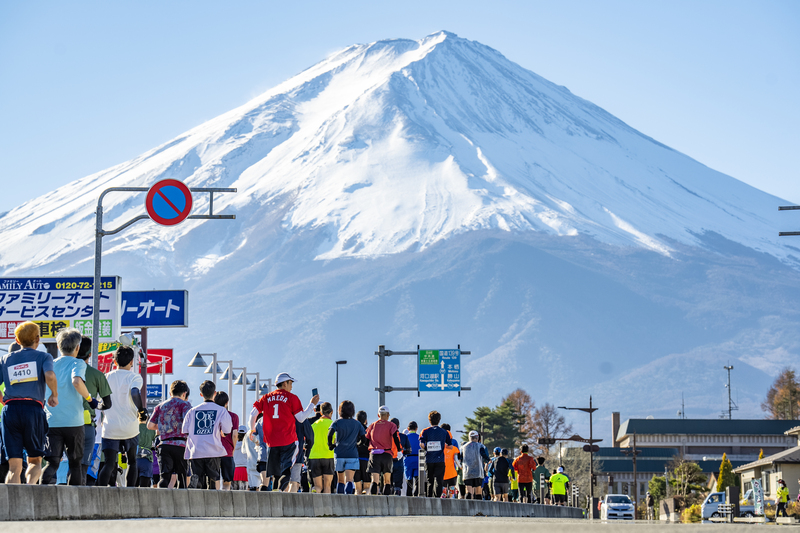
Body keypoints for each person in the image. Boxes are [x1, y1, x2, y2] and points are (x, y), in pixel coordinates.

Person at [0, 322, 58, 484]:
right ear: (38, 339)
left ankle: (11, 504)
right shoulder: (43, 356)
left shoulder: (5, 359)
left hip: (10, 409)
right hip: (33, 409)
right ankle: (29, 490)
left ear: (17, 341)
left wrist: (4, 401)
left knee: (14, 466)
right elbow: (50, 376)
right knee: (34, 460)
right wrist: (54, 394)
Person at [41, 328, 94, 486]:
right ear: (77, 348)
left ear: (58, 347)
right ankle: (74, 504)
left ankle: (38, 494)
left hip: (52, 421)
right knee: (75, 464)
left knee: (52, 463)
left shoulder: (49, 364)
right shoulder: (78, 363)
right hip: (74, 423)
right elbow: (77, 381)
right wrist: (90, 398)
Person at [249, 372, 318, 491]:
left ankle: (276, 492)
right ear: (285, 383)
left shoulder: (266, 397)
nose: (291, 386)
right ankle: (280, 491)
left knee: (276, 472)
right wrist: (312, 404)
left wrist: (252, 429)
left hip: (271, 441)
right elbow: (301, 418)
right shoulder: (292, 398)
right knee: (286, 471)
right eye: (290, 383)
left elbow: (253, 414)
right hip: (288, 440)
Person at [97, 345, 145, 487]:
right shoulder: (135, 377)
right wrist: (141, 411)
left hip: (110, 427)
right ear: (131, 361)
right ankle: (130, 492)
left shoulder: (106, 377)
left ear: (115, 361)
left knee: (109, 463)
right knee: (132, 461)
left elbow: (101, 401)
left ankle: (99, 492)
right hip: (130, 428)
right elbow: (135, 393)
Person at [75, 335, 112, 485]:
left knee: (69, 464)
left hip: (62, 422)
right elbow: (107, 404)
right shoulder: (97, 374)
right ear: (90, 354)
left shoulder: (59, 369)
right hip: (86, 423)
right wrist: (96, 404)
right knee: (83, 467)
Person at [182, 380, 232, 490]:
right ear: (215, 393)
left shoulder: (192, 411)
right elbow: (227, 430)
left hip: (196, 451)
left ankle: (196, 496)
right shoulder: (221, 410)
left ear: (201, 394)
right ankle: (212, 503)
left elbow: (185, 431)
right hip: (213, 450)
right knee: (213, 481)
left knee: (197, 480)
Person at [147, 379, 192, 488]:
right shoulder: (185, 405)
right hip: (180, 445)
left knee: (164, 478)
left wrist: (165, 426)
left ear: (170, 393)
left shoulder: (160, 406)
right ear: (184, 393)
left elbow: (150, 425)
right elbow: (189, 424)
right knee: (182, 477)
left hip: (164, 445)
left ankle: (161, 501)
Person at [329, 400, 365, 494]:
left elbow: (330, 434)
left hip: (339, 453)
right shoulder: (357, 424)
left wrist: (331, 445)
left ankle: (339, 499)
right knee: (349, 480)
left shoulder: (337, 422)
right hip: (352, 454)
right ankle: (348, 498)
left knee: (340, 480)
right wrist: (358, 444)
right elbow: (364, 438)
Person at [365, 406, 402, 495]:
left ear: (378, 415)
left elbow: (366, 440)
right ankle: (386, 501)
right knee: (387, 480)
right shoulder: (391, 425)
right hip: (387, 454)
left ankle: (373, 499)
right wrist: (399, 450)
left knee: (374, 480)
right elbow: (395, 437)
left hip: (375, 454)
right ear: (388, 415)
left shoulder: (372, 425)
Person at [419, 410, 449, 498]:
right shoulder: (444, 432)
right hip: (440, 459)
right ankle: (437, 498)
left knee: (430, 481)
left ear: (429, 420)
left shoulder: (425, 431)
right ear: (439, 420)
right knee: (439, 481)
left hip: (429, 459)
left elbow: (421, 444)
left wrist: (426, 448)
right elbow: (449, 445)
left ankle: (429, 498)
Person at [214, 391, 239, 491]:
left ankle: (214, 499)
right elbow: (235, 435)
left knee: (215, 479)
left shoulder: (212, 415)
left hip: (214, 451)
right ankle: (225, 501)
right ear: (227, 403)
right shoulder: (233, 416)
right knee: (227, 481)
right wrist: (233, 448)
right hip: (227, 451)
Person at [308, 402, 335, 493]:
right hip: (328, 456)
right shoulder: (333, 425)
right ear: (332, 412)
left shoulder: (314, 425)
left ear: (321, 412)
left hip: (314, 457)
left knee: (317, 486)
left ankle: (315, 504)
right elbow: (335, 441)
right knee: (327, 486)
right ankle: (327, 506)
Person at [460, 430, 489, 499]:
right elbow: (485, 456)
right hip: (478, 472)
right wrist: (488, 460)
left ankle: (468, 507)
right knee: (478, 493)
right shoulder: (481, 446)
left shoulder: (464, 447)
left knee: (469, 492)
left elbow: (460, 458)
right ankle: (478, 508)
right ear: (478, 437)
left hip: (467, 472)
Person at [288, 413, 313, 493]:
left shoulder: (281, 415)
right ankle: (289, 504)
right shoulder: (301, 419)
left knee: (283, 482)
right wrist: (307, 450)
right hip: (297, 454)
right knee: (294, 482)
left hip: (281, 453)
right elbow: (310, 438)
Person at [135, 411, 156, 487]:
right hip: (147, 459)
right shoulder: (151, 429)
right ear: (147, 417)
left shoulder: (134, 428)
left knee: (132, 487)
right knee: (145, 487)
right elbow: (155, 442)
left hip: (134, 459)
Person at [390, 417, 410, 496]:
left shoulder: (386, 436)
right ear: (398, 426)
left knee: (388, 483)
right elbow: (409, 450)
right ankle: (397, 499)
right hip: (399, 462)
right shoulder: (404, 437)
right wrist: (402, 452)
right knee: (397, 486)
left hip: (388, 462)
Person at [354, 410, 370, 494]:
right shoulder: (368, 431)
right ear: (366, 421)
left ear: (356, 420)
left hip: (355, 460)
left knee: (357, 488)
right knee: (367, 487)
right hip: (366, 460)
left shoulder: (353, 430)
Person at [403, 421, 421, 496]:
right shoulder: (420, 437)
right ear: (416, 429)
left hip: (408, 460)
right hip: (418, 459)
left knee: (409, 481)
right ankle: (416, 496)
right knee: (417, 480)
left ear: (408, 428)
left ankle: (409, 496)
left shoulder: (405, 437)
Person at [232, 425, 248, 490]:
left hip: (234, 470)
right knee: (244, 494)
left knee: (233, 494)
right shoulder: (248, 446)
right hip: (245, 470)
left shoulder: (233, 445)